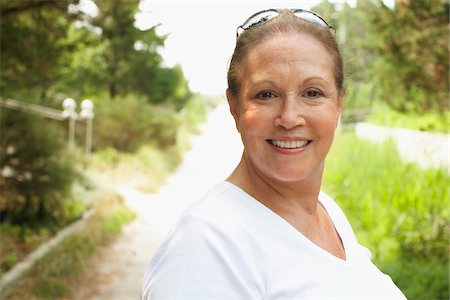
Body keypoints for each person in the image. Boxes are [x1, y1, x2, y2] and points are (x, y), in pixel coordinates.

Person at [142, 9, 406, 299]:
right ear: (234, 107)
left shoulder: (326, 212)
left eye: (313, 93)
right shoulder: (205, 247)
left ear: (339, 103)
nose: (289, 117)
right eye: (266, 94)